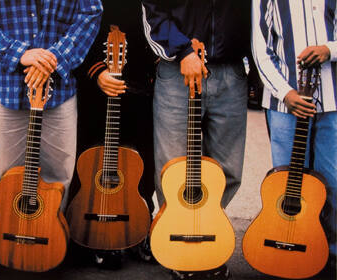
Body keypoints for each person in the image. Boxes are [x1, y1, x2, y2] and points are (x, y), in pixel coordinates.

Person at [141, 1, 252, 279]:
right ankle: (173, 237)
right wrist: (183, 51)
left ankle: (207, 233)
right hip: (178, 69)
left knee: (228, 167)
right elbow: (153, 13)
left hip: (231, 70)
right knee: (173, 168)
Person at [0, 0, 102, 212]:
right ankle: (11, 240)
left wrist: (54, 58)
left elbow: (91, 12)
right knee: (7, 178)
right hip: (6, 88)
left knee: (57, 180)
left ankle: (50, 238)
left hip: (59, 89)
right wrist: (17, 54)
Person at [252, 0, 336, 277]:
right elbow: (260, 48)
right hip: (284, 103)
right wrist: (285, 92)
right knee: (287, 188)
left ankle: (329, 254)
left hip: (333, 101)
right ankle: (284, 253)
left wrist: (329, 49)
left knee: (333, 182)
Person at [73, 0, 156, 268]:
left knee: (141, 163)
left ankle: (139, 228)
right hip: (95, 87)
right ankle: (87, 231)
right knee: (89, 161)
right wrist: (96, 72)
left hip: (140, 85)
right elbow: (74, 30)